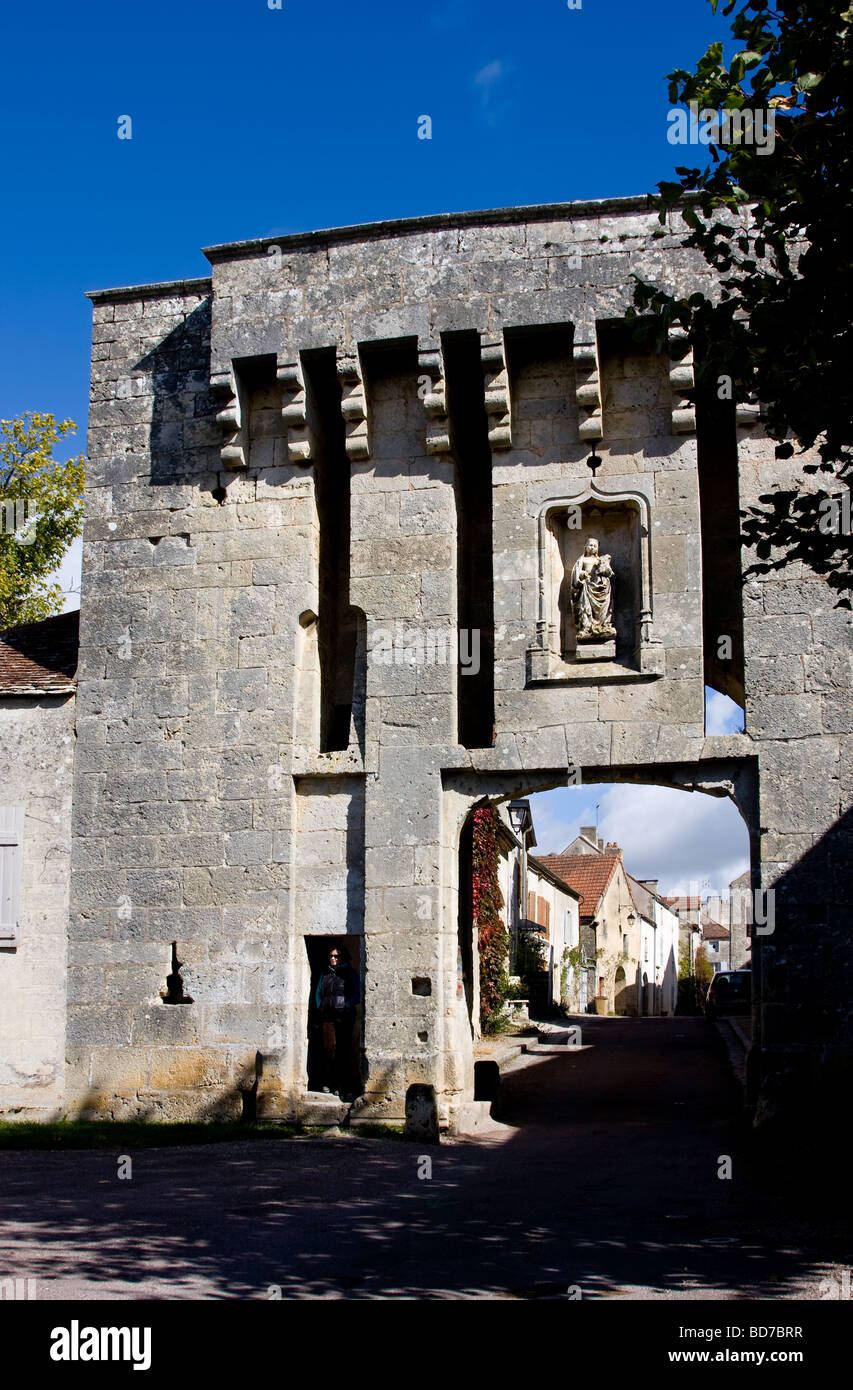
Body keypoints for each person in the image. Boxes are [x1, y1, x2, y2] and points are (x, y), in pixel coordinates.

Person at [314, 946, 360, 1099]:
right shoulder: (325, 974)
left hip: (344, 1016)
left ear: (343, 957)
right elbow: (318, 993)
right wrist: (321, 1006)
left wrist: (345, 1005)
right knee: (328, 1048)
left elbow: (356, 994)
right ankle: (328, 1081)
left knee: (343, 1049)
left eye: (336, 956)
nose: (333, 958)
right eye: (331, 956)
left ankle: (342, 1084)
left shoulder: (350, 974)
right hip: (328, 1015)